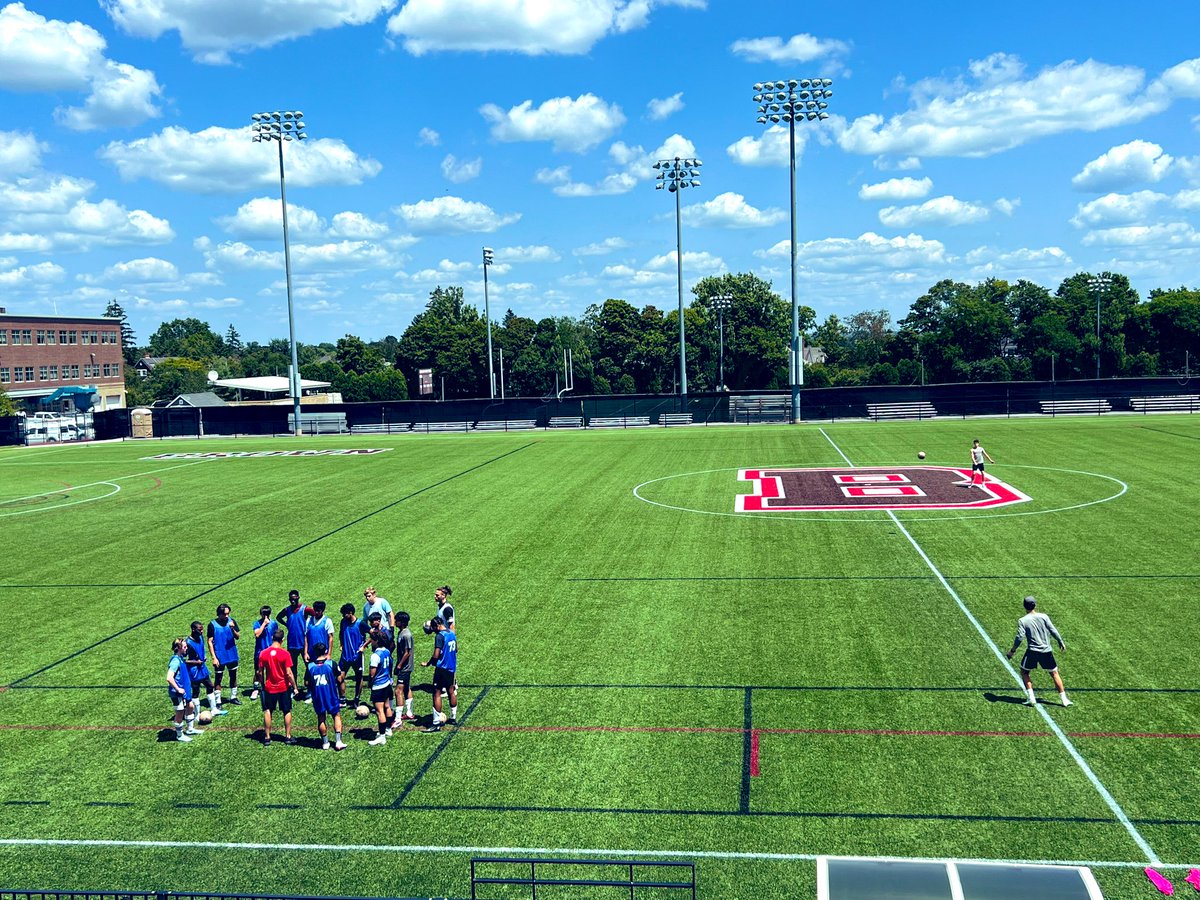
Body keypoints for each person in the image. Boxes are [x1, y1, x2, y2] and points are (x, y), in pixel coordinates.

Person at [1006, 596, 1071, 707]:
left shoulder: (1023, 620)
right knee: (1054, 673)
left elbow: (1019, 637)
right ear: (1035, 605)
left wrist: (1012, 651)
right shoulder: (1044, 616)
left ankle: (1031, 698)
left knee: (1024, 672)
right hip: (1046, 651)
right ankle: (1064, 700)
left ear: (1024, 606)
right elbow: (1053, 630)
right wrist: (1060, 641)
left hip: (1032, 652)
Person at [259, 628, 297, 746]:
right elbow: (289, 673)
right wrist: (295, 686)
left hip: (269, 687)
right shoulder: (285, 654)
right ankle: (287, 736)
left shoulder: (263, 653)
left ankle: (267, 737)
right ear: (283, 639)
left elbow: (259, 672)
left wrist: (262, 685)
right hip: (283, 687)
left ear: (272, 638)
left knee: (268, 711)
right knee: (286, 710)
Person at [420, 616, 458, 733]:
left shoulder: (439, 636)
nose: (432, 630)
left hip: (442, 668)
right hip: (451, 668)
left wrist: (429, 663)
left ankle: (436, 723)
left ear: (437, 625)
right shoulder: (451, 633)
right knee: (451, 691)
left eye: (433, 627)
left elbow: (436, 655)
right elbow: (456, 649)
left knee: (436, 693)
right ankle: (453, 717)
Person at [307, 643, 346, 751]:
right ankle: (338, 741)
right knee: (336, 715)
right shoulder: (331, 664)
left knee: (321, 718)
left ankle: (325, 743)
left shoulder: (310, 666)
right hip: (331, 695)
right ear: (325, 651)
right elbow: (339, 679)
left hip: (318, 696)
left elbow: (306, 682)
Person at [277, 590, 311, 700]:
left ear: (298, 598)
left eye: (295, 598)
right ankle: (294, 689)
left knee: (308, 666)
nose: (293, 600)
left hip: (304, 643)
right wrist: (286, 624)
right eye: (291, 598)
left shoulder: (304, 609)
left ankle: (310, 689)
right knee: (292, 669)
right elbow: (278, 617)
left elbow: (315, 614)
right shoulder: (287, 610)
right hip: (292, 644)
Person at [206, 603, 241, 709]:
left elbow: (238, 636)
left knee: (233, 675)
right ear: (219, 614)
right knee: (219, 677)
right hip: (220, 655)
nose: (227, 616)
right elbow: (210, 641)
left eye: (228, 613)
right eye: (225, 614)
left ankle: (233, 696)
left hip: (231, 654)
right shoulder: (212, 624)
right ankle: (218, 700)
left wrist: (233, 629)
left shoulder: (232, 621)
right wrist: (214, 657)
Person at [186, 620, 223, 717]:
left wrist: (204, 656)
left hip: (202, 668)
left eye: (202, 629)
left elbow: (201, 649)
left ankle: (214, 709)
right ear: (193, 629)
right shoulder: (188, 643)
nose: (202, 631)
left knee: (210, 686)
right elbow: (183, 660)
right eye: (199, 630)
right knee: (196, 691)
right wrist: (196, 662)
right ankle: (197, 714)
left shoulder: (201, 637)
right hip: (194, 671)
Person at [302, 600, 335, 702]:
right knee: (310, 675)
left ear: (322, 611)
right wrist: (305, 652)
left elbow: (330, 638)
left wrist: (329, 653)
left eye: (318, 611)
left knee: (325, 675)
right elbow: (306, 637)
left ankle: (327, 694)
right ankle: (311, 692)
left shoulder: (327, 621)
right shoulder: (309, 621)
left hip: (322, 654)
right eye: (315, 610)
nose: (316, 613)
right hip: (312, 653)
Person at [366, 629, 394, 746]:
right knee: (387, 707)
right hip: (387, 684)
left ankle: (382, 737)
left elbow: (372, 673)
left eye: (372, 639)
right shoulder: (387, 651)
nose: (370, 641)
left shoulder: (375, 656)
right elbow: (390, 665)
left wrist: (369, 683)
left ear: (376, 641)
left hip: (378, 686)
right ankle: (388, 729)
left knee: (379, 711)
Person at [167, 638, 196, 743]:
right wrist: (178, 689)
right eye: (184, 647)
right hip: (177, 692)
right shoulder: (175, 661)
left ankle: (190, 729)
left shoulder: (181, 658)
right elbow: (169, 677)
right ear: (179, 648)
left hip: (184, 690)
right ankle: (179, 735)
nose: (186, 648)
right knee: (179, 712)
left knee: (190, 706)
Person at [337, 603, 365, 705]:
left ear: (351, 613)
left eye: (345, 614)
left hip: (357, 656)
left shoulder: (361, 623)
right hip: (345, 656)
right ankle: (342, 699)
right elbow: (341, 633)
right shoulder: (343, 622)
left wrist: (363, 646)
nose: (344, 616)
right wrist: (341, 644)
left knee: (358, 677)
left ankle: (356, 698)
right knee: (339, 677)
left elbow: (373, 634)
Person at [251, 605, 278, 701]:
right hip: (260, 652)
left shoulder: (274, 623)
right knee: (258, 671)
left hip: (271, 652)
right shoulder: (257, 624)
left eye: (267, 614)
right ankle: (257, 688)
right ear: (261, 614)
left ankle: (268, 687)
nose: (265, 616)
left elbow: (276, 636)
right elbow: (257, 634)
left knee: (271, 670)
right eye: (263, 614)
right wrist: (263, 624)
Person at [393, 611, 415, 723]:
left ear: (401, 622)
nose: (395, 622)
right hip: (405, 666)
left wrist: (399, 665)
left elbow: (407, 652)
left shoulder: (406, 635)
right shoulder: (401, 633)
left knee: (398, 691)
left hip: (405, 667)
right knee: (406, 688)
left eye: (396, 620)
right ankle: (409, 713)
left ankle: (397, 719)